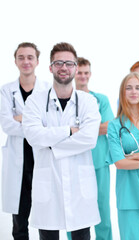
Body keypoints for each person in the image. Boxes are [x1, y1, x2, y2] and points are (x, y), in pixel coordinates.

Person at [22, 42, 101, 240]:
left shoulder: (88, 102)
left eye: (68, 63)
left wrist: (50, 143)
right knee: (48, 234)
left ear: (75, 67)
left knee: (81, 233)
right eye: (58, 63)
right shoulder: (34, 101)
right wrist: (69, 130)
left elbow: (90, 138)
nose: (63, 67)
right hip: (48, 184)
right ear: (50, 67)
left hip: (79, 187)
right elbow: (33, 135)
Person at [0, 42, 49, 240]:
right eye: (21, 57)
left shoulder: (47, 89)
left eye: (30, 57)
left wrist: (21, 118)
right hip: (18, 161)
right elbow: (6, 125)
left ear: (37, 61)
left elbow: (49, 123)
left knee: (47, 216)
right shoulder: (6, 91)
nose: (26, 61)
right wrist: (34, 124)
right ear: (15, 61)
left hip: (42, 158)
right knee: (19, 220)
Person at [107, 72, 139, 240]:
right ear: (122, 93)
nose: (133, 91)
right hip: (128, 193)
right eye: (128, 88)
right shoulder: (114, 125)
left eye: (138, 87)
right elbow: (119, 163)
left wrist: (132, 157)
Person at [71, 57, 113, 240]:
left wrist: (77, 131)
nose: (82, 76)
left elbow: (109, 127)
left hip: (98, 161)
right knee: (73, 208)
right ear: (73, 73)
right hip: (73, 162)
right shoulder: (66, 99)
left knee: (102, 207)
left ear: (90, 74)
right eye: (79, 72)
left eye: (86, 72)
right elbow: (62, 129)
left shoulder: (100, 99)